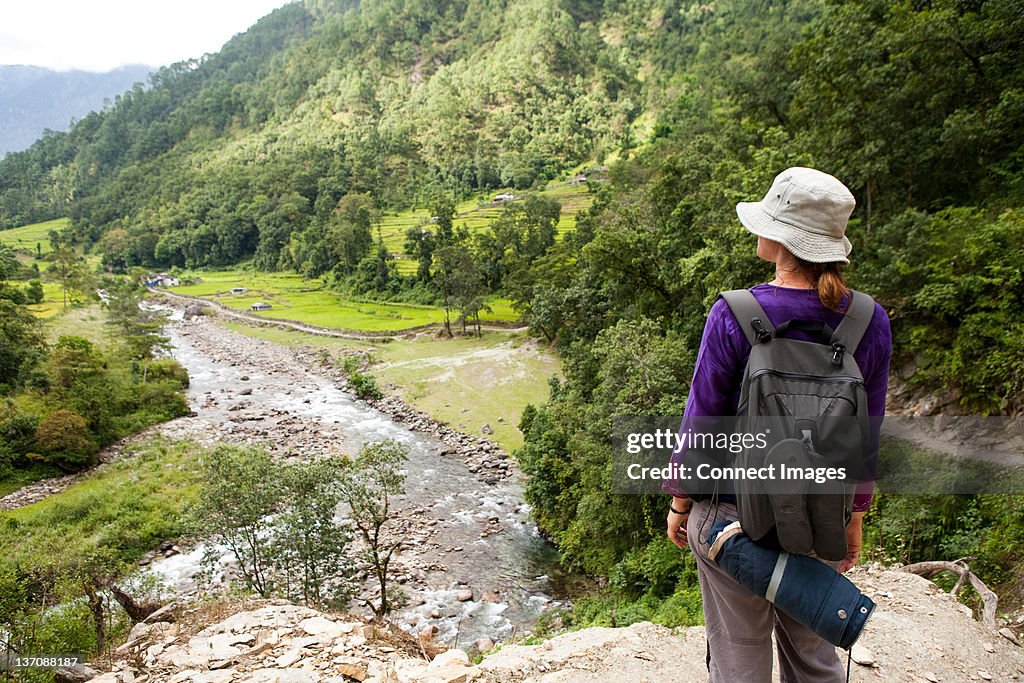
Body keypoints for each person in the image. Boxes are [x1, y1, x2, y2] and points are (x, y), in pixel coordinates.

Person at [662, 167, 892, 682]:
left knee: (738, 656)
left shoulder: (735, 313)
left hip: (731, 520)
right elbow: (867, 436)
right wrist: (853, 515)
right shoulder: (869, 321)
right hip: (818, 519)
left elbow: (701, 425)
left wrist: (680, 504)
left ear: (779, 238)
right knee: (814, 660)